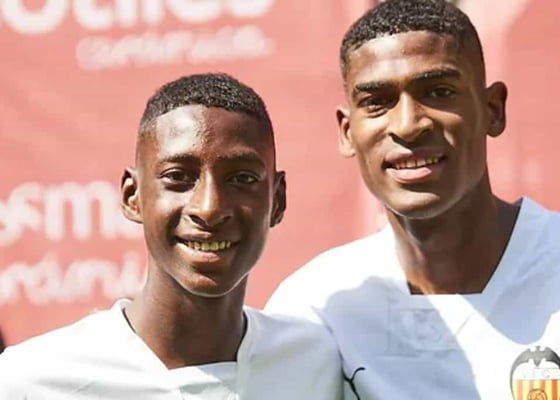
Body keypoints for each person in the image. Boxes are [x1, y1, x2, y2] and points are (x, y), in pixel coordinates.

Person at [266, 0, 560, 399]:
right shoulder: (315, 307)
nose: (408, 126)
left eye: (439, 92)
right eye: (377, 102)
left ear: (493, 110)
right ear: (347, 132)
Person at [0, 73, 343, 399]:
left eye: (242, 179)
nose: (209, 208)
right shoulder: (31, 381)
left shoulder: (316, 362)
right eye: (178, 177)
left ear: (277, 200)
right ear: (133, 196)